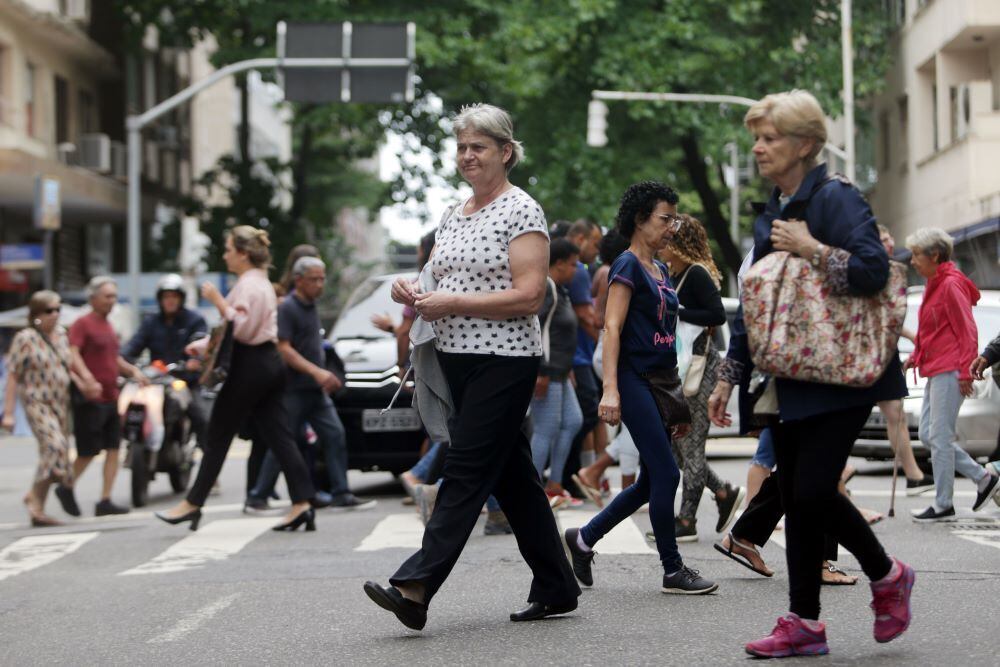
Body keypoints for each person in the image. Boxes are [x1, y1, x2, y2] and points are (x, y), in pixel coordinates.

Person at [707, 90, 914, 658]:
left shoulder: (835, 198)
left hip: (844, 373)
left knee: (814, 488)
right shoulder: (773, 209)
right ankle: (804, 623)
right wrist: (730, 375)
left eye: (770, 137)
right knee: (796, 498)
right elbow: (758, 302)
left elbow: (874, 271)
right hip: (791, 372)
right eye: (758, 137)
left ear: (805, 144)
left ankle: (886, 573)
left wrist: (813, 248)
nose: (759, 147)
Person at [363, 103, 579, 631]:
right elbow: (436, 278)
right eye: (461, 147)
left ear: (505, 152)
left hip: (505, 361)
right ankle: (557, 584)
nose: (467, 156)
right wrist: (409, 289)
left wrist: (451, 302)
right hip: (457, 360)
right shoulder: (453, 212)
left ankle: (416, 586)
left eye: (478, 147)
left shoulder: (521, 211)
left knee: (464, 471)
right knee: (515, 480)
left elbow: (530, 296)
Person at [562, 180, 718, 596]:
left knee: (651, 481)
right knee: (667, 472)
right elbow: (611, 328)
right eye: (665, 219)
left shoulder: (662, 269)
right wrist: (610, 390)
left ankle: (583, 539)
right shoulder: (626, 266)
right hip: (632, 381)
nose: (672, 227)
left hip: (661, 383)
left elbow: (668, 337)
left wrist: (677, 401)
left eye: (674, 219)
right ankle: (671, 568)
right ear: (639, 220)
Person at [155, 226, 317, 532]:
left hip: (250, 366)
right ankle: (302, 502)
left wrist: (217, 300)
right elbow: (240, 329)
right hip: (266, 364)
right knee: (280, 437)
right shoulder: (257, 284)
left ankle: (193, 503)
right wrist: (204, 345)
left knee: (217, 435)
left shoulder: (250, 285)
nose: (225, 254)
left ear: (243, 253)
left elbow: (240, 328)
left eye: (229, 249)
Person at [250, 256, 375, 511]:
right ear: (298, 281)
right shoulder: (288, 308)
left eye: (322, 279)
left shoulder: (311, 306)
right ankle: (257, 496)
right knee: (283, 443)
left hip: (315, 392)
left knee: (335, 435)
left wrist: (323, 374)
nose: (319, 284)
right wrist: (316, 372)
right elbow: (283, 348)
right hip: (293, 389)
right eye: (313, 279)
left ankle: (341, 492)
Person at [903, 227, 1000, 521]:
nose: (912, 261)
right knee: (929, 434)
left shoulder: (950, 284)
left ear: (934, 255)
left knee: (940, 437)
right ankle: (984, 478)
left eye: (917, 255)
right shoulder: (936, 282)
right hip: (938, 368)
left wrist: (965, 373)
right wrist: (916, 356)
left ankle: (944, 503)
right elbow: (935, 331)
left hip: (950, 370)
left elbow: (967, 330)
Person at [659, 214, 744, 542]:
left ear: (681, 242)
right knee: (680, 448)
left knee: (691, 445)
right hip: (679, 368)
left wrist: (677, 311)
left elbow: (717, 315)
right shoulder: (673, 273)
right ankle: (723, 492)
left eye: (669, 237)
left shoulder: (696, 274)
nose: (663, 243)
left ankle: (686, 519)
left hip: (699, 368)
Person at [2, 291, 98, 525]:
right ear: (36, 314)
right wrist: (8, 413)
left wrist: (84, 383)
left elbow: (66, 368)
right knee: (55, 446)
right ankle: (34, 496)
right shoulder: (25, 338)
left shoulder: (62, 335)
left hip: (61, 403)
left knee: (55, 452)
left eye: (57, 310)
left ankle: (37, 507)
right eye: (49, 310)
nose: (54, 315)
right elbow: (13, 376)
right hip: (37, 402)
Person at [64, 276, 148, 517]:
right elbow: (73, 353)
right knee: (88, 451)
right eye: (108, 296)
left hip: (111, 396)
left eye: (114, 296)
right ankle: (66, 485)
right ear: (93, 298)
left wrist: (133, 371)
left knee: (114, 448)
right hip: (91, 398)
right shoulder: (83, 324)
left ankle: (105, 499)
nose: (112, 301)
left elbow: (114, 359)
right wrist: (87, 378)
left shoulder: (109, 326)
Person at [870, 226, 933, 494]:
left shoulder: (892, 270)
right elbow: (883, 317)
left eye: (889, 237)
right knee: (891, 413)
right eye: (883, 239)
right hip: (873, 352)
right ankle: (912, 472)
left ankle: (912, 473)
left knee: (896, 413)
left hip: (887, 350)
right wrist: (913, 336)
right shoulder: (873, 271)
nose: (890, 242)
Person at [121, 273, 210, 450]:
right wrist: (126, 362)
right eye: (166, 296)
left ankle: (209, 467)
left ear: (181, 298)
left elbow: (202, 345)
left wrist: (195, 361)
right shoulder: (151, 322)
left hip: (186, 381)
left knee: (201, 417)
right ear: (160, 299)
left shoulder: (194, 320)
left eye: (174, 296)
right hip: (156, 381)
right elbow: (133, 347)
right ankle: (133, 443)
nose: (170, 301)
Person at [530, 238, 584, 508]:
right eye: (574, 264)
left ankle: (554, 485)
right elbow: (536, 329)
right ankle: (531, 490)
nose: (577, 270)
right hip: (547, 373)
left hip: (562, 373)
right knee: (545, 429)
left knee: (573, 421)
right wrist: (541, 371)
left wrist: (568, 368)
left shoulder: (561, 290)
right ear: (559, 264)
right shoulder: (548, 288)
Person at [561, 219, 603, 494]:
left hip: (576, 357)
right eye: (594, 242)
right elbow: (586, 316)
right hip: (578, 357)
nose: (597, 250)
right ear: (579, 238)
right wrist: (607, 346)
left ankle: (569, 474)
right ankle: (567, 474)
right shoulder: (578, 273)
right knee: (586, 413)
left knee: (580, 416)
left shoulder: (579, 271)